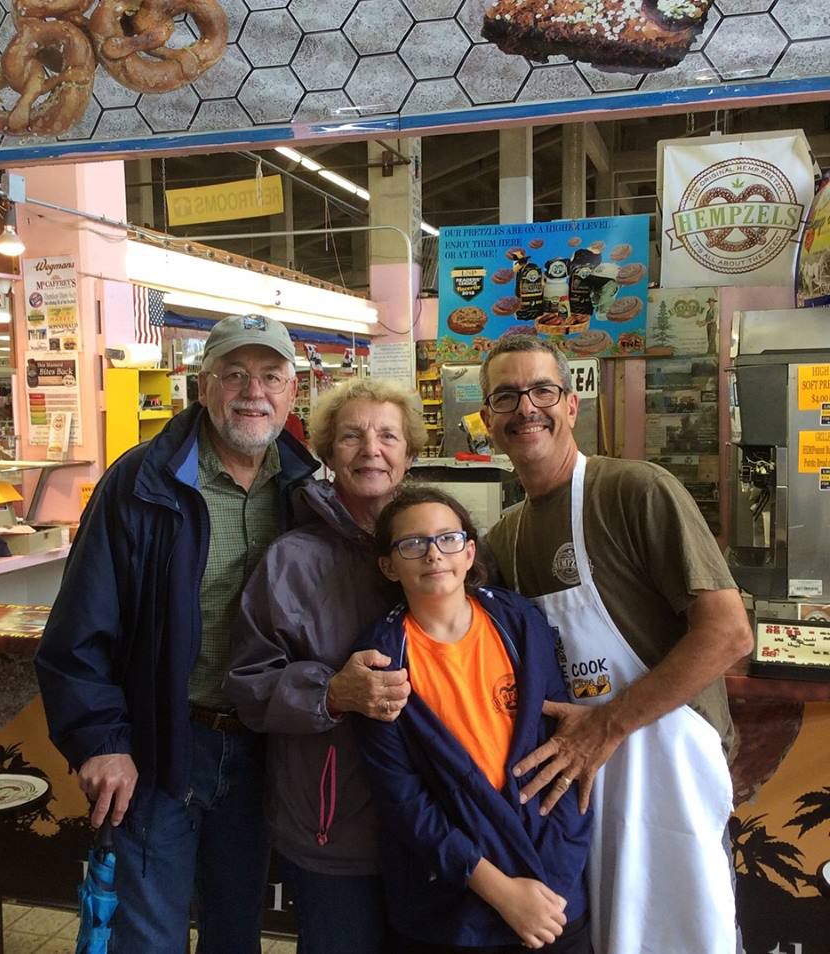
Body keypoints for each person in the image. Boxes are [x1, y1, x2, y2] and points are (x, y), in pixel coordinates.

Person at [34, 314, 318, 953]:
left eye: (271, 376)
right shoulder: (139, 484)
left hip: (261, 751)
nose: (254, 391)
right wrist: (101, 741)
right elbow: (77, 631)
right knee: (147, 937)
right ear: (202, 385)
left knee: (235, 931)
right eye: (235, 374)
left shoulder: (305, 489)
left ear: (292, 393)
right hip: (162, 744)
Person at [479, 336, 754, 954]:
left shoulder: (635, 491)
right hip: (578, 782)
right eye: (505, 396)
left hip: (664, 767)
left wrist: (606, 727)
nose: (526, 408)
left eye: (542, 390)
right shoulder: (505, 538)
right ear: (488, 421)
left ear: (571, 404)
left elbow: (728, 633)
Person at [224, 378, 426, 954]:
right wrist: (332, 692)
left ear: (410, 453)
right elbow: (249, 683)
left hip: (436, 824)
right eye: (351, 436)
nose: (371, 449)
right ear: (326, 454)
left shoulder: (443, 547)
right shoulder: (291, 560)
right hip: (334, 827)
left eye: (388, 435)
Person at [356, 486, 593, 954]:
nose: (432, 554)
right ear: (389, 565)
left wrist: (551, 884)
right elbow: (407, 805)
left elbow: (564, 752)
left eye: (448, 539)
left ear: (469, 553)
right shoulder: (379, 662)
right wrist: (500, 890)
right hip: (452, 903)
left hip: (551, 893)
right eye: (412, 544)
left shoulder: (520, 624)